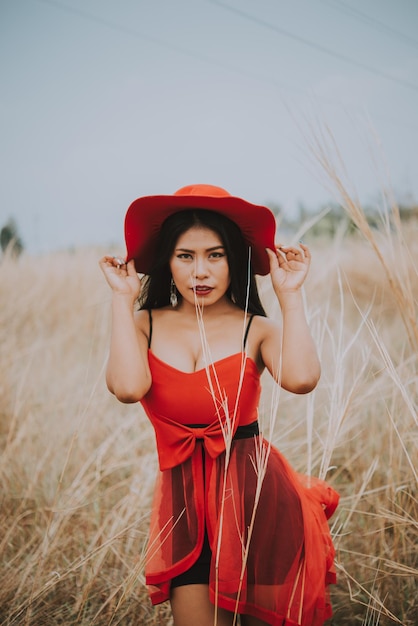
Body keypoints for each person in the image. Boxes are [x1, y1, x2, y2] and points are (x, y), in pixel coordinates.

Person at [99, 184, 339, 626]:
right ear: (166, 262)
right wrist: (121, 299)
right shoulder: (142, 324)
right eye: (185, 256)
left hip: (257, 502)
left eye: (215, 255)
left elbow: (302, 379)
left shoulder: (257, 329)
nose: (200, 272)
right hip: (184, 511)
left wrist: (290, 295)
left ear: (236, 260)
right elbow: (128, 388)